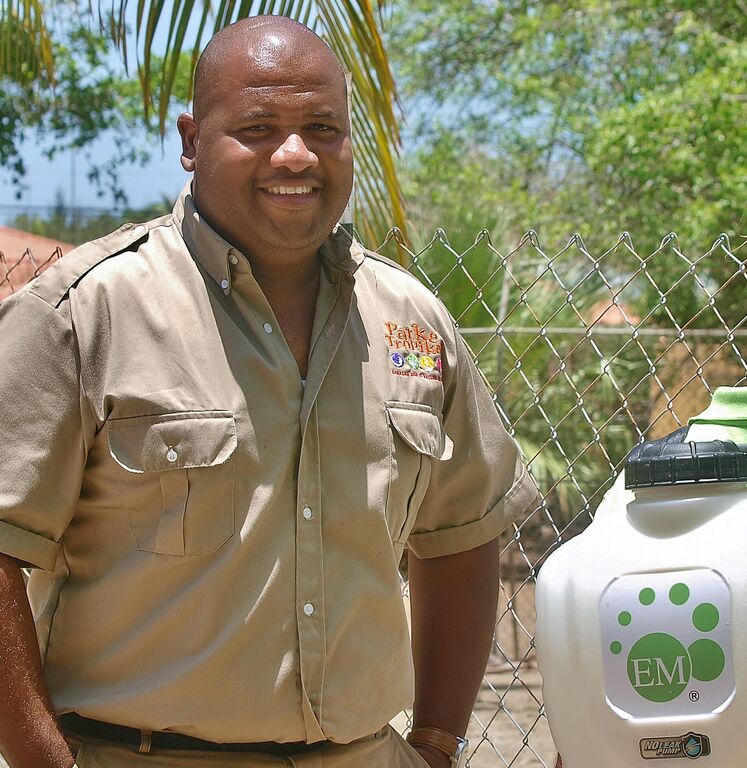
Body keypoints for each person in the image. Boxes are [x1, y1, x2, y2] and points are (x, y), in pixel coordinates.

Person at [0, 16, 540, 768]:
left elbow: (462, 532)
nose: (295, 154)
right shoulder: (85, 314)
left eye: (322, 128)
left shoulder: (412, 322)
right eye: (257, 127)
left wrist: (437, 743)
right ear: (192, 140)